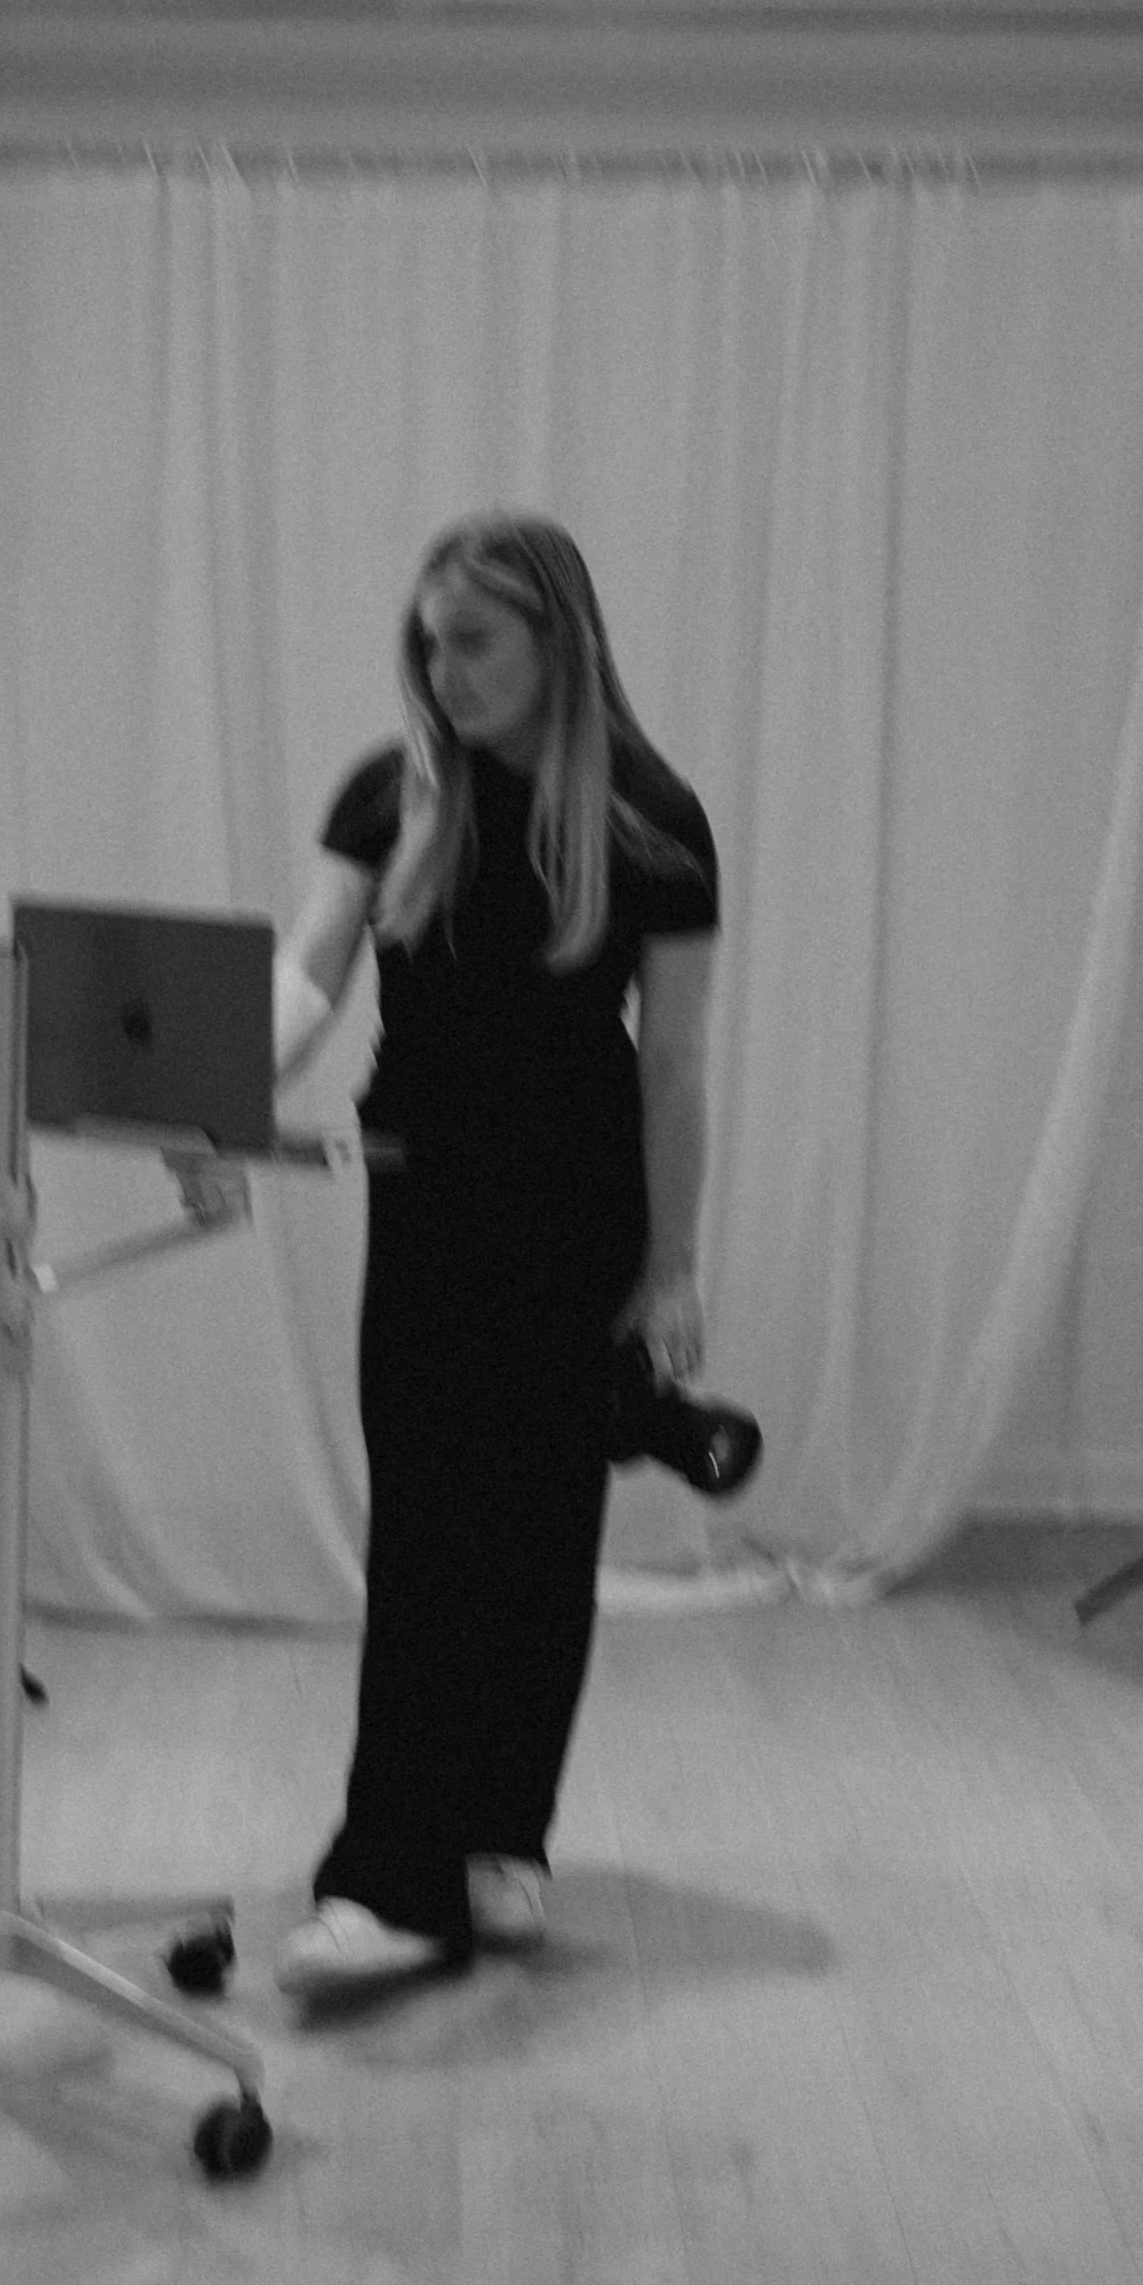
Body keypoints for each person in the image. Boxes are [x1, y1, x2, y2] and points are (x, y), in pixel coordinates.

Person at [268, 511, 732, 1999]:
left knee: (540, 1548)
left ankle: (498, 1839)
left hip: (574, 1216)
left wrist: (670, 1266)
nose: (441, 669)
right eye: (428, 641)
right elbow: (307, 972)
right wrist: (223, 1081)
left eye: (473, 641)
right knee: (426, 1542)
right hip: (425, 1202)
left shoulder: (655, 819)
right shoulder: (392, 793)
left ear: (556, 641)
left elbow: (672, 1073)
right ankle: (390, 1876)